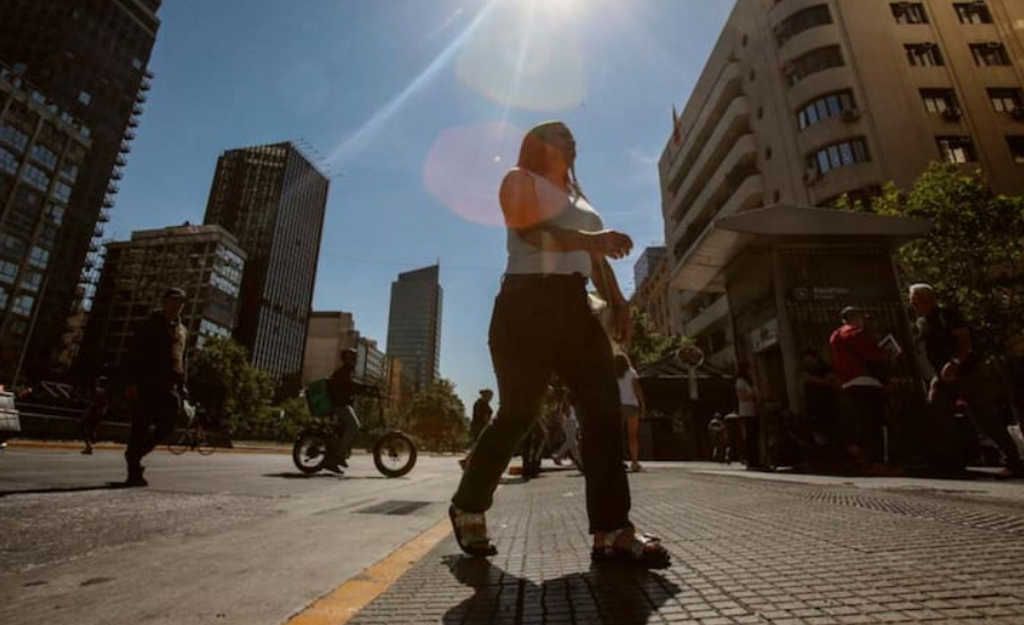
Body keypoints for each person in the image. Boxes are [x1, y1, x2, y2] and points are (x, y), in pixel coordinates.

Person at [449, 121, 669, 567]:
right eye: (555, 135)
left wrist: (620, 302)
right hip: (524, 303)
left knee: (603, 410)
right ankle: (469, 503)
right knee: (519, 413)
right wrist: (594, 239)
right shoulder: (518, 179)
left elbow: (595, 259)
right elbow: (528, 231)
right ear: (535, 146)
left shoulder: (582, 202)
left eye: (571, 137)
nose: (567, 141)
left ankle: (611, 530)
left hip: (574, 306)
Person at [909, 283, 1024, 476]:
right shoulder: (923, 322)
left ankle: (1014, 462)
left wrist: (955, 362)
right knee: (937, 413)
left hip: (967, 374)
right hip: (943, 378)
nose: (912, 304)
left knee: (986, 418)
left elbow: (965, 341)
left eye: (914, 300)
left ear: (927, 299)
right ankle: (951, 462)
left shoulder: (948, 315)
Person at [122, 288, 189, 487]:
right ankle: (134, 472)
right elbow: (132, 353)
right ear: (165, 301)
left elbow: (181, 359)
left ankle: (135, 453)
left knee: (171, 421)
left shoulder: (183, 330)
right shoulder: (149, 324)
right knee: (140, 426)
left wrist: (183, 386)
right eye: (174, 300)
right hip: (146, 383)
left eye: (181, 302)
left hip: (170, 386)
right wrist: (131, 382)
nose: (178, 305)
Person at [829, 306, 889, 470]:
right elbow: (873, 356)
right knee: (873, 423)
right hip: (867, 381)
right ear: (854, 317)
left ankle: (859, 458)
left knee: (857, 422)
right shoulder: (856, 332)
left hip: (848, 383)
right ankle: (875, 462)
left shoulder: (835, 336)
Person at [325, 348, 377, 474]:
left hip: (341, 405)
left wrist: (368, 390)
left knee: (346, 429)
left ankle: (338, 456)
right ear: (347, 359)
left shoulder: (347, 371)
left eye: (355, 358)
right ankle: (337, 457)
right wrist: (368, 388)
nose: (355, 360)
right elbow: (352, 386)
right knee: (354, 426)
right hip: (339, 406)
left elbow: (352, 387)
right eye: (352, 357)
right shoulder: (344, 371)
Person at [801, 348, 840, 448]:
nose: (808, 362)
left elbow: (832, 382)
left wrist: (813, 380)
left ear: (816, 358)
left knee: (832, 436)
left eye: (810, 359)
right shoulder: (806, 371)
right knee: (820, 440)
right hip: (814, 410)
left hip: (829, 406)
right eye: (806, 360)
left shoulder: (825, 369)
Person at [615, 353, 646, 472]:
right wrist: (643, 406)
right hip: (632, 406)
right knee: (632, 436)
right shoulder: (631, 372)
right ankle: (634, 462)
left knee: (617, 436)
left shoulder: (612, 374)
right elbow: (638, 389)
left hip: (618, 406)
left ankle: (618, 461)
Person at [460, 389, 494, 469]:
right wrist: (489, 426)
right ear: (486, 396)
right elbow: (484, 418)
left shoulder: (480, 403)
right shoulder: (482, 404)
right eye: (490, 396)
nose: (491, 398)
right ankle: (467, 462)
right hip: (479, 427)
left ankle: (467, 461)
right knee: (479, 446)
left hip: (478, 427)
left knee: (478, 446)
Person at [735, 363, 760, 468]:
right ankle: (751, 460)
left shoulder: (749, 382)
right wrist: (753, 395)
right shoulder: (740, 382)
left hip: (753, 410)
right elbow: (741, 396)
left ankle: (756, 459)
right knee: (750, 436)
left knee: (754, 435)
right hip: (746, 411)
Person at [80, 375, 109, 455]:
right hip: (98, 414)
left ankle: (88, 446)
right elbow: (104, 405)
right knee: (90, 429)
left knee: (82, 426)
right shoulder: (105, 392)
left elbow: (93, 403)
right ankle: (92, 439)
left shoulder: (98, 390)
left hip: (93, 412)